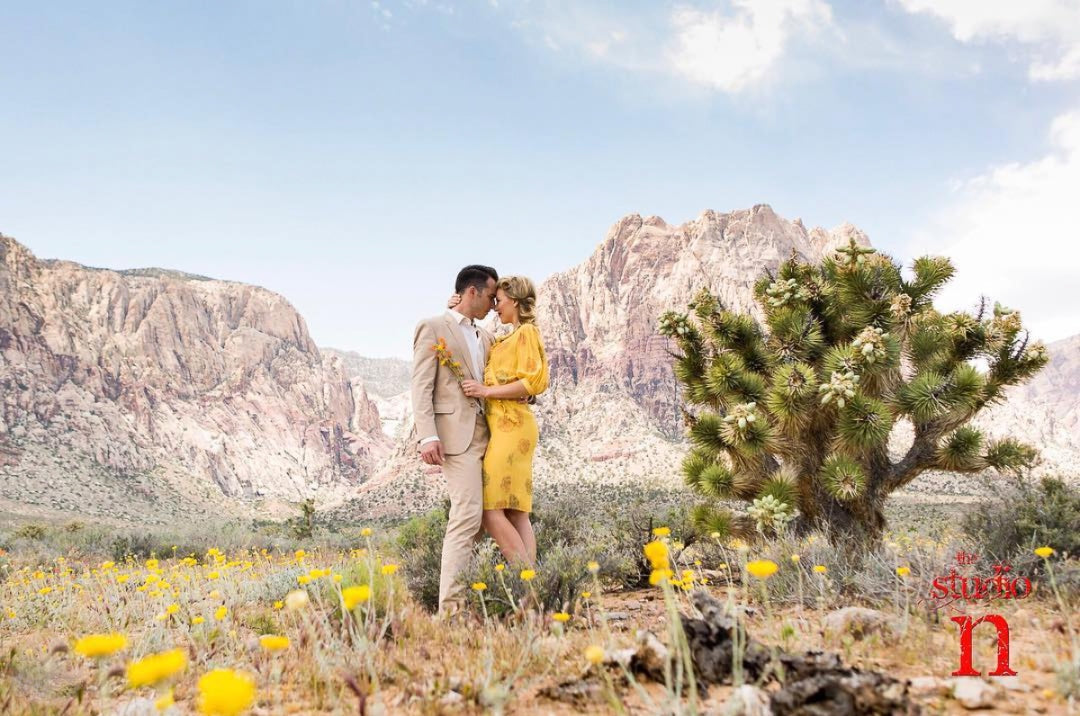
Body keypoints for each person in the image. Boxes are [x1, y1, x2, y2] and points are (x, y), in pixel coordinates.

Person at [411, 265, 498, 617]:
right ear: (473, 292)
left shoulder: (487, 336)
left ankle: (472, 598)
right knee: (466, 515)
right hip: (454, 438)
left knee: (484, 519)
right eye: (491, 296)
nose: (494, 304)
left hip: (491, 436)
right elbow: (421, 385)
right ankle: (451, 612)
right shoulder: (433, 327)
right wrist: (427, 435)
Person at [459, 276, 549, 567]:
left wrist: (486, 391)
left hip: (513, 429)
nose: (496, 306)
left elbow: (532, 382)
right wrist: (458, 307)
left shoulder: (526, 333)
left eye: (500, 300)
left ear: (516, 301)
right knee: (516, 512)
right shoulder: (507, 338)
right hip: (506, 428)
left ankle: (524, 579)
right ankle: (532, 588)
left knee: (490, 510)